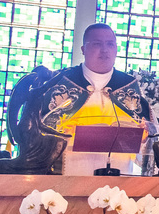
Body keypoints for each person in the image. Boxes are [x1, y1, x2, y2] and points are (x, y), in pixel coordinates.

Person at [50, 24, 151, 176]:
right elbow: (42, 132)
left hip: (120, 181)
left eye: (110, 44)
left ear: (116, 49)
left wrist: (144, 137)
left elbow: (149, 140)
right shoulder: (62, 82)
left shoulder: (129, 86)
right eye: (97, 44)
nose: (104, 50)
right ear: (83, 49)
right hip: (69, 177)